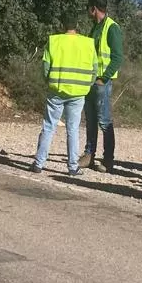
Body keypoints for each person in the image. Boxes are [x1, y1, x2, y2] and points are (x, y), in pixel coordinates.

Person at [32, 19, 96, 174]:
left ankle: (38, 163)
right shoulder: (88, 44)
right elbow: (94, 70)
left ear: (62, 26)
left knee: (49, 126)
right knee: (73, 129)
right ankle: (73, 167)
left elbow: (46, 67)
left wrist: (49, 82)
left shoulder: (54, 41)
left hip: (57, 91)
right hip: (79, 92)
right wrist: (87, 85)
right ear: (77, 26)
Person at [85, 0, 123, 174]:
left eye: (89, 8)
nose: (88, 11)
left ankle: (108, 159)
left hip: (102, 82)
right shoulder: (95, 28)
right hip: (90, 81)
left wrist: (103, 78)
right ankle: (89, 154)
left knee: (104, 121)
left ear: (94, 8)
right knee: (91, 119)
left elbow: (117, 57)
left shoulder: (111, 28)